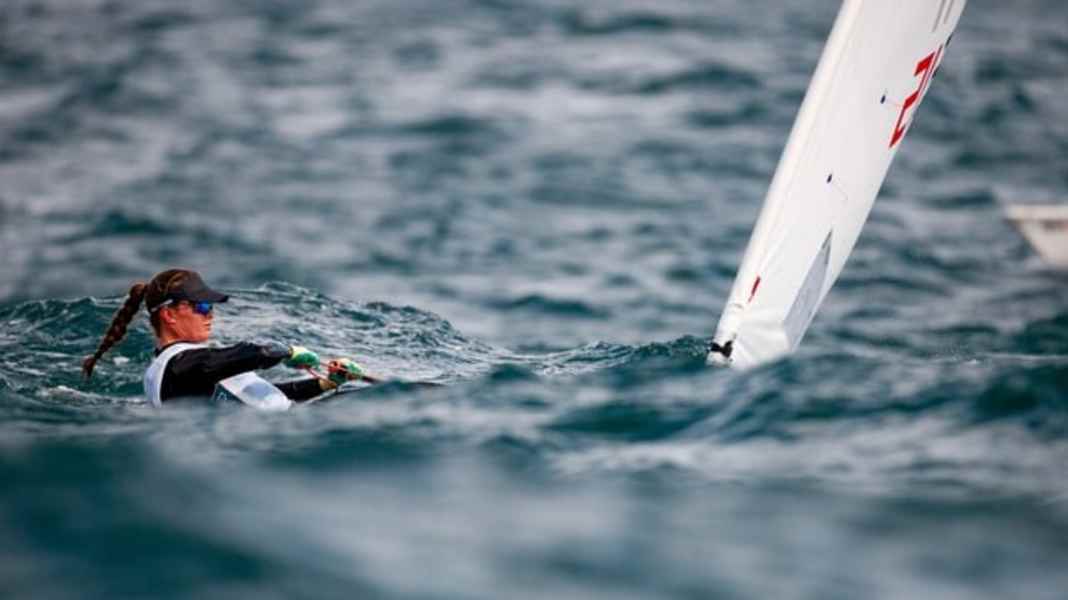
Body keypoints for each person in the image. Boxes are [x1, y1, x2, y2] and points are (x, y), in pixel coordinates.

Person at [81, 268, 365, 407]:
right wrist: (288, 351)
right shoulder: (180, 366)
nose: (210, 314)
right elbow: (256, 353)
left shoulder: (186, 367)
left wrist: (326, 383)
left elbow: (264, 395)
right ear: (169, 315)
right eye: (202, 306)